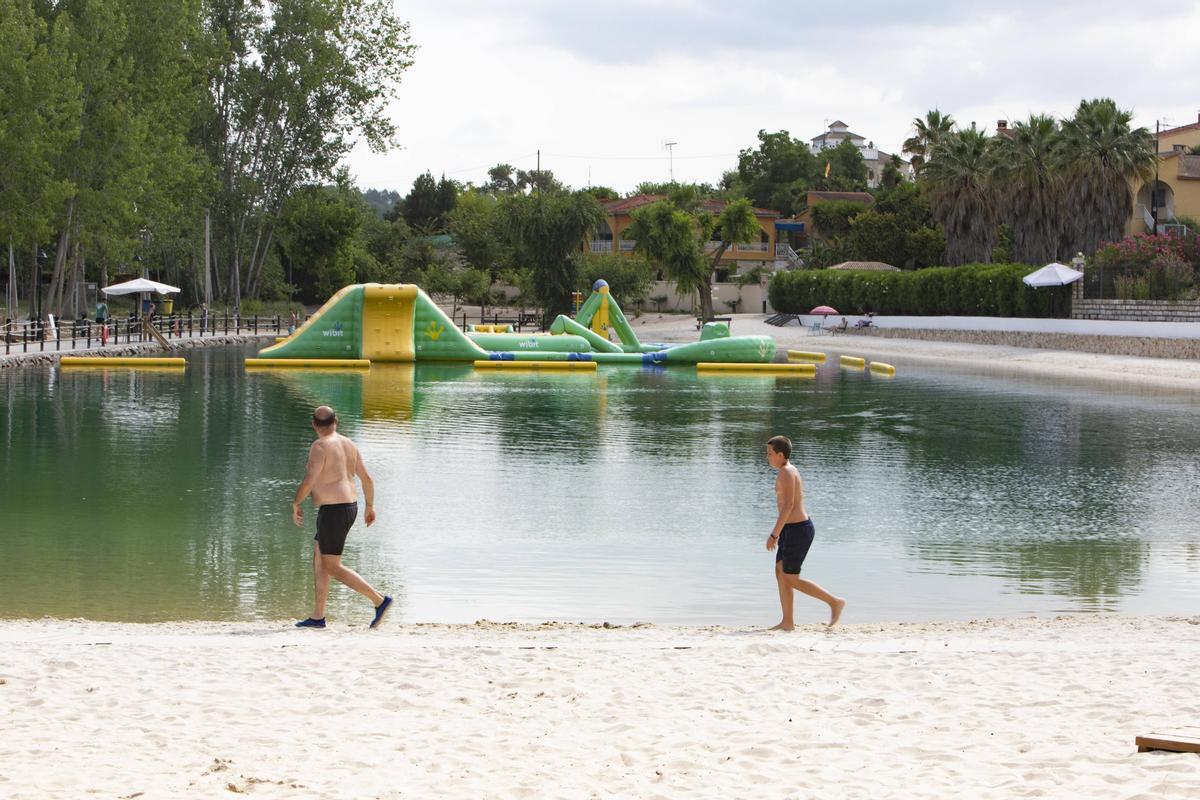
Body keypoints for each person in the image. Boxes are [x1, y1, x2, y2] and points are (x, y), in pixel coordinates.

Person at [292, 405, 392, 629]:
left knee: (332, 566)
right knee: (319, 558)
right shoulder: (349, 444)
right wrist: (369, 507)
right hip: (348, 507)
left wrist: (296, 502)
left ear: (313, 424)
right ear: (335, 421)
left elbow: (310, 479)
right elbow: (367, 479)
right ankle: (318, 617)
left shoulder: (320, 446)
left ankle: (379, 600)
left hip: (334, 511)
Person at [764, 435, 845, 630]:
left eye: (770, 454)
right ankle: (787, 622)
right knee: (780, 572)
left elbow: (789, 506)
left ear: (781, 455)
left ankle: (834, 602)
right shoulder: (786, 470)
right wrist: (780, 532)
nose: (767, 457)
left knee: (791, 578)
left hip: (798, 530)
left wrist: (774, 534)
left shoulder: (787, 472)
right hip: (790, 530)